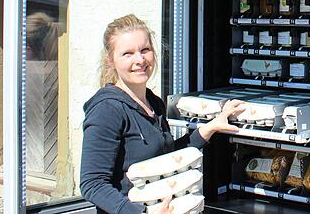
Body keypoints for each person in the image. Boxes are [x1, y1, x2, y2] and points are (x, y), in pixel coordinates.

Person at [80, 14, 244, 214]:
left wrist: (210, 128)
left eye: (145, 50)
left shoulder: (153, 103)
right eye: (128, 54)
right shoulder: (107, 110)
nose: (139, 60)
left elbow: (167, 158)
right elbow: (92, 184)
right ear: (111, 60)